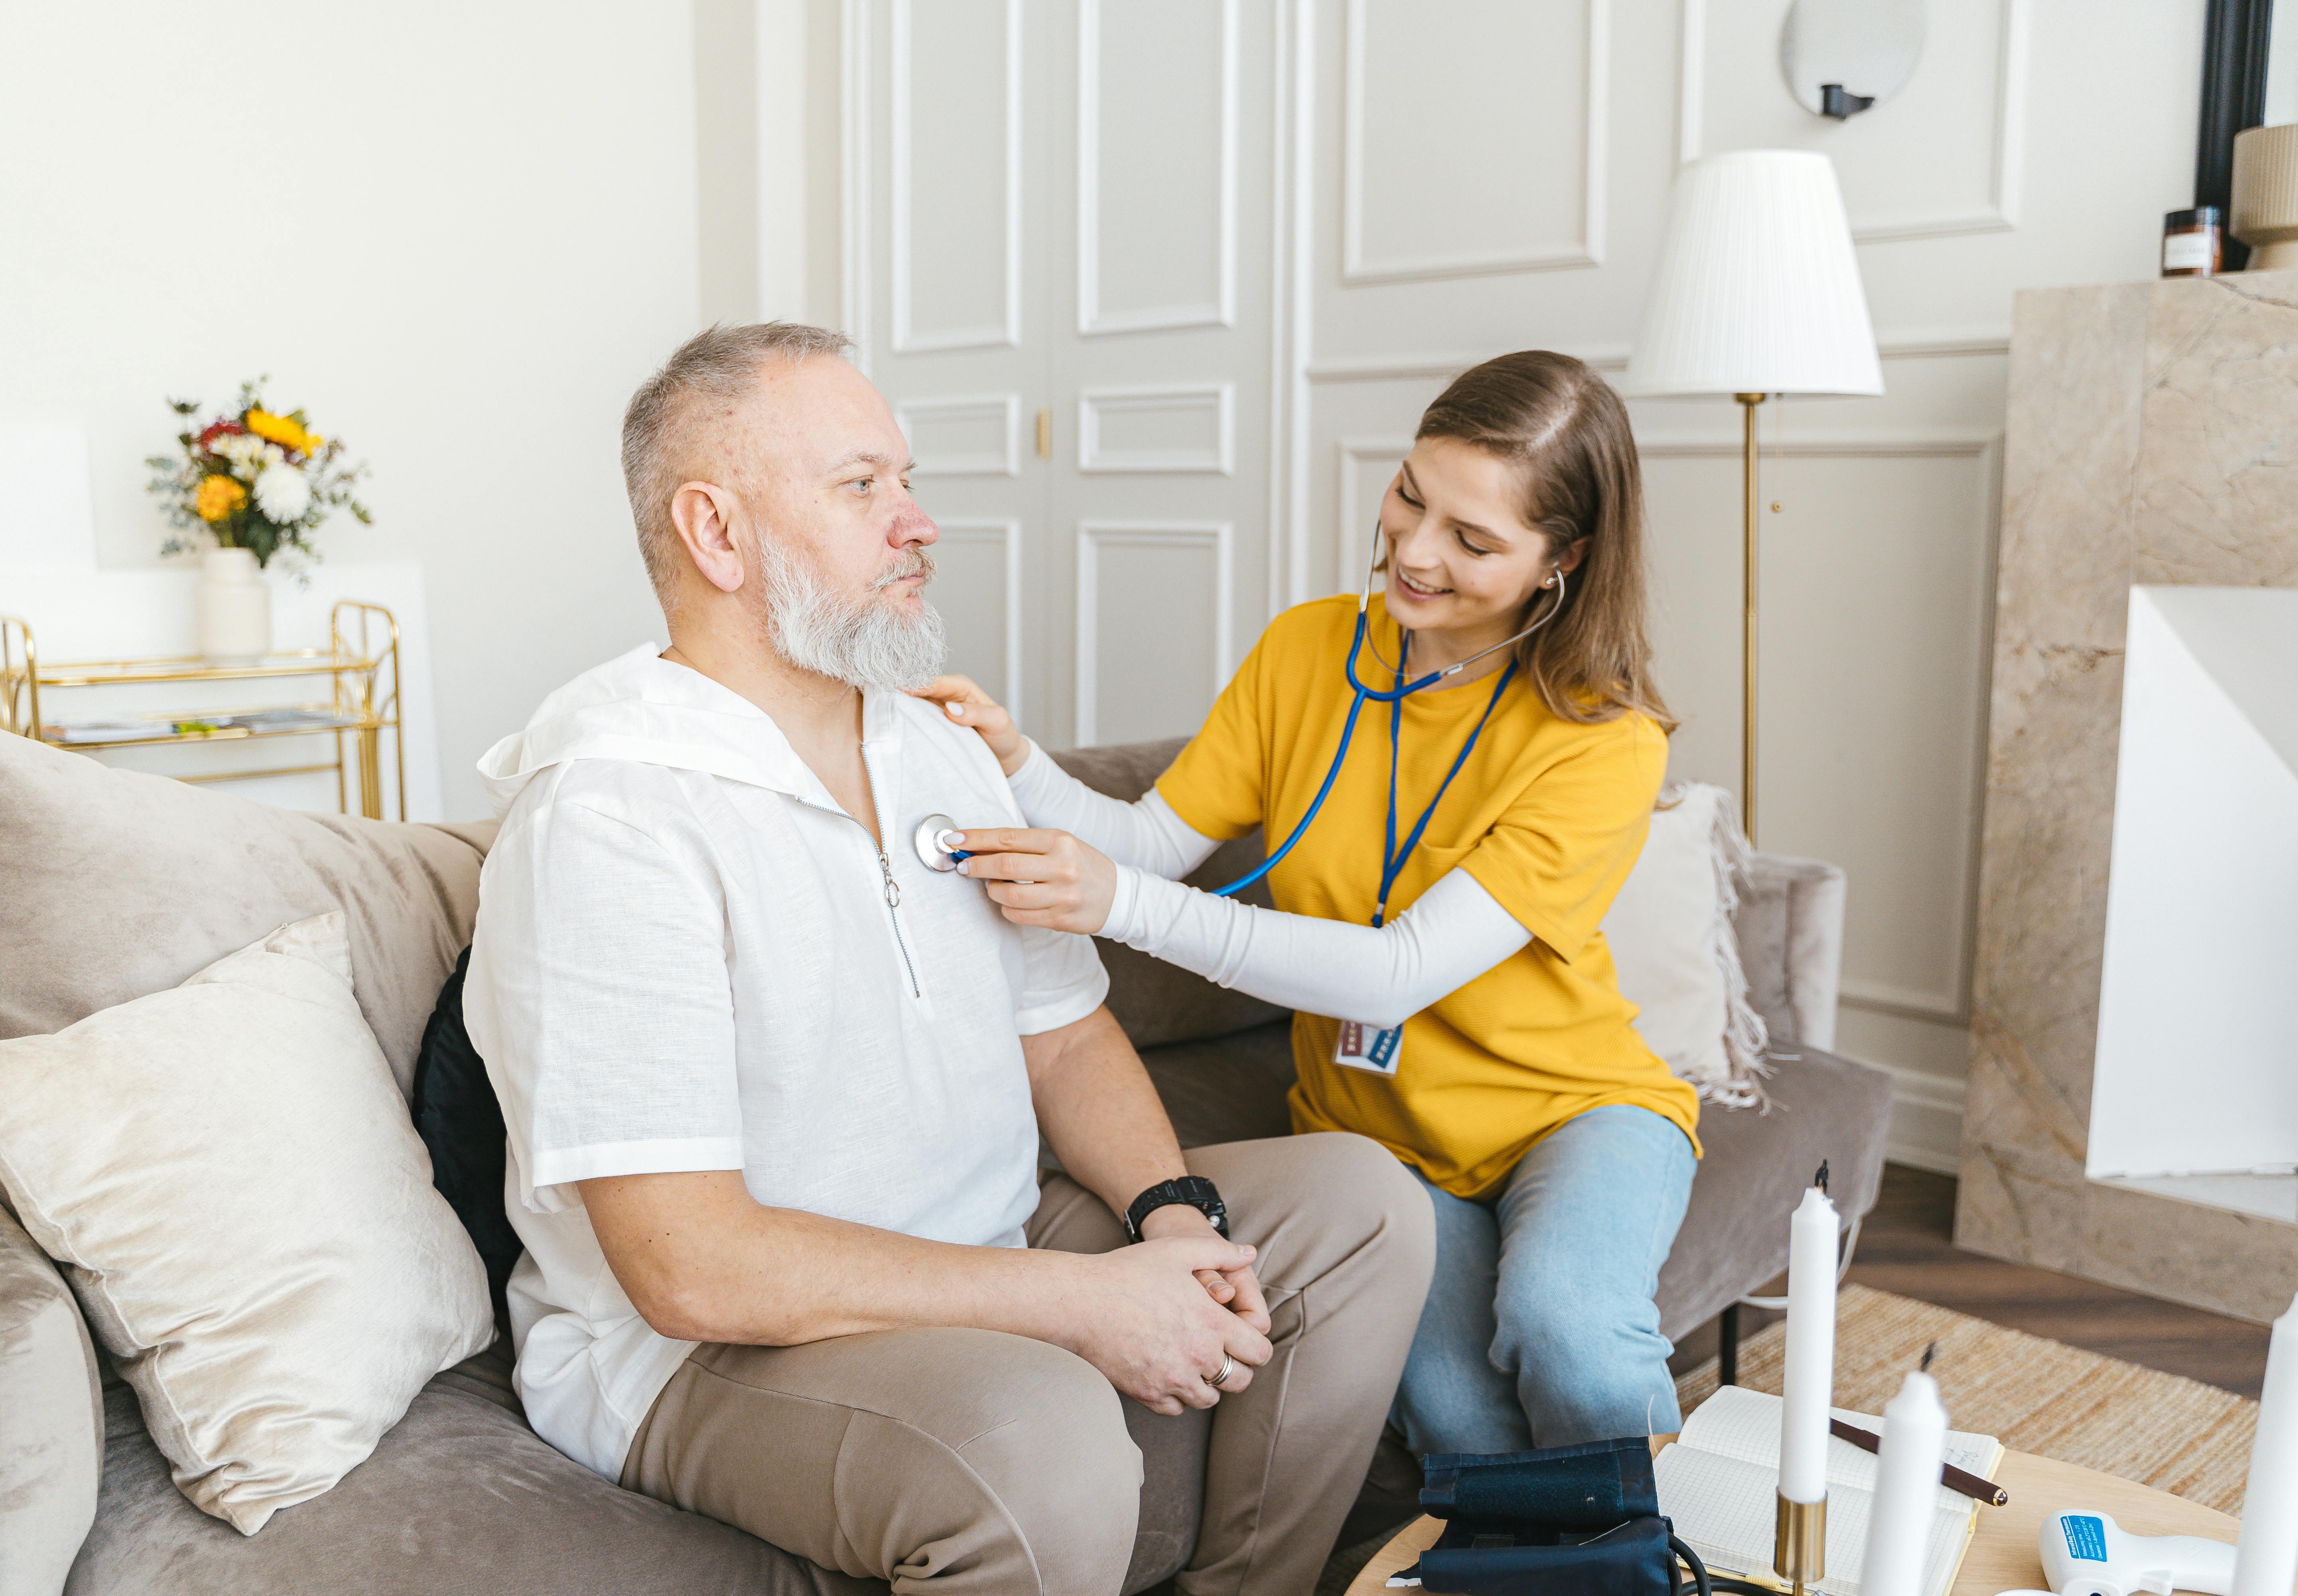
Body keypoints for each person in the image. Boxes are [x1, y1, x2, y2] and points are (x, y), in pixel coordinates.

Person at [463, 321, 1435, 1596]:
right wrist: (1088, 1306)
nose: (917, 522)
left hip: (985, 1229)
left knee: (1363, 1210)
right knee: (1040, 1443)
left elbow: (1067, 1032)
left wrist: (1171, 1217)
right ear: (719, 535)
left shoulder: (934, 745)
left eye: (906, 482)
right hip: (703, 1353)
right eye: (862, 487)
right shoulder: (612, 813)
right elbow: (689, 1265)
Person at [920, 350, 1701, 1459]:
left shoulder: (1603, 742)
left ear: (1560, 562)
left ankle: (1648, 1567)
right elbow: (1150, 841)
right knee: (1461, 1427)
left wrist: (1121, 906)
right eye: (1410, 497)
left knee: (1568, 1331)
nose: (1416, 552)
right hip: (1373, 1139)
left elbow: (1398, 971)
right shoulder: (1309, 649)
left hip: (1571, 1112)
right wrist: (1019, 760)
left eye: (1474, 542)